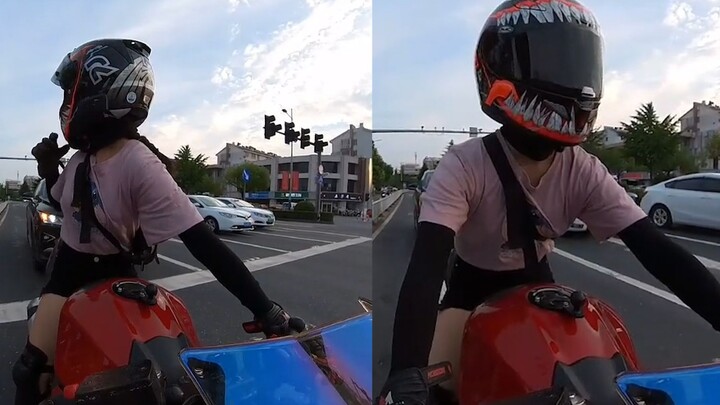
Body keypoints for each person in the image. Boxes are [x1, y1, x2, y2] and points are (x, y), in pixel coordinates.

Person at [376, 1, 720, 404]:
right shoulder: (463, 164)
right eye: (555, 62)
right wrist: (403, 373)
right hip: (469, 289)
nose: (575, 82)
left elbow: (659, 253)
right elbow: (427, 266)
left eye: (579, 61)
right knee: (442, 387)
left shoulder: (584, 169)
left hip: (539, 284)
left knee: (597, 378)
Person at [14, 39, 304, 405]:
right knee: (29, 372)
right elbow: (60, 198)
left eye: (73, 89)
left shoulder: (138, 161)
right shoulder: (78, 161)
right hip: (67, 271)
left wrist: (267, 310)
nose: (66, 100)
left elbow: (204, 244)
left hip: (115, 272)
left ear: (95, 90)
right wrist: (47, 168)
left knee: (156, 378)